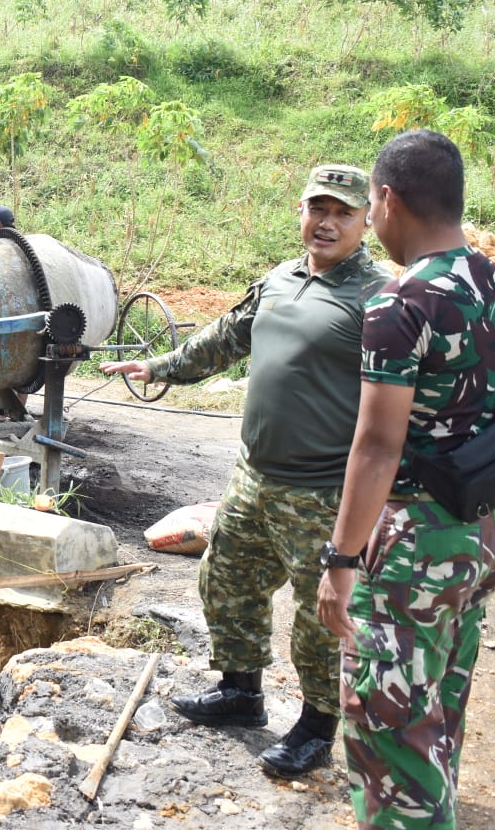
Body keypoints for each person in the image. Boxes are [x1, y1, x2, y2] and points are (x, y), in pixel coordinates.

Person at [100, 164, 388, 777]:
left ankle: (315, 727)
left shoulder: (379, 298)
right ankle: (241, 692)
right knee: (227, 579)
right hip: (253, 475)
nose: (327, 222)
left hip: (323, 489)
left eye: (342, 212)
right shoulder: (280, 279)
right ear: (301, 212)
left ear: (368, 221)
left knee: (320, 613)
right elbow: (228, 336)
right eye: (318, 208)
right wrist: (162, 368)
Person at [316, 130, 495, 828]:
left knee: (391, 734)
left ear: (388, 199)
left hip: (413, 552)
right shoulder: (494, 282)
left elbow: (376, 446)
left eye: (369, 202)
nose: (370, 216)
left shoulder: (401, 305)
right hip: (483, 530)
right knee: (436, 710)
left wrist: (341, 562)